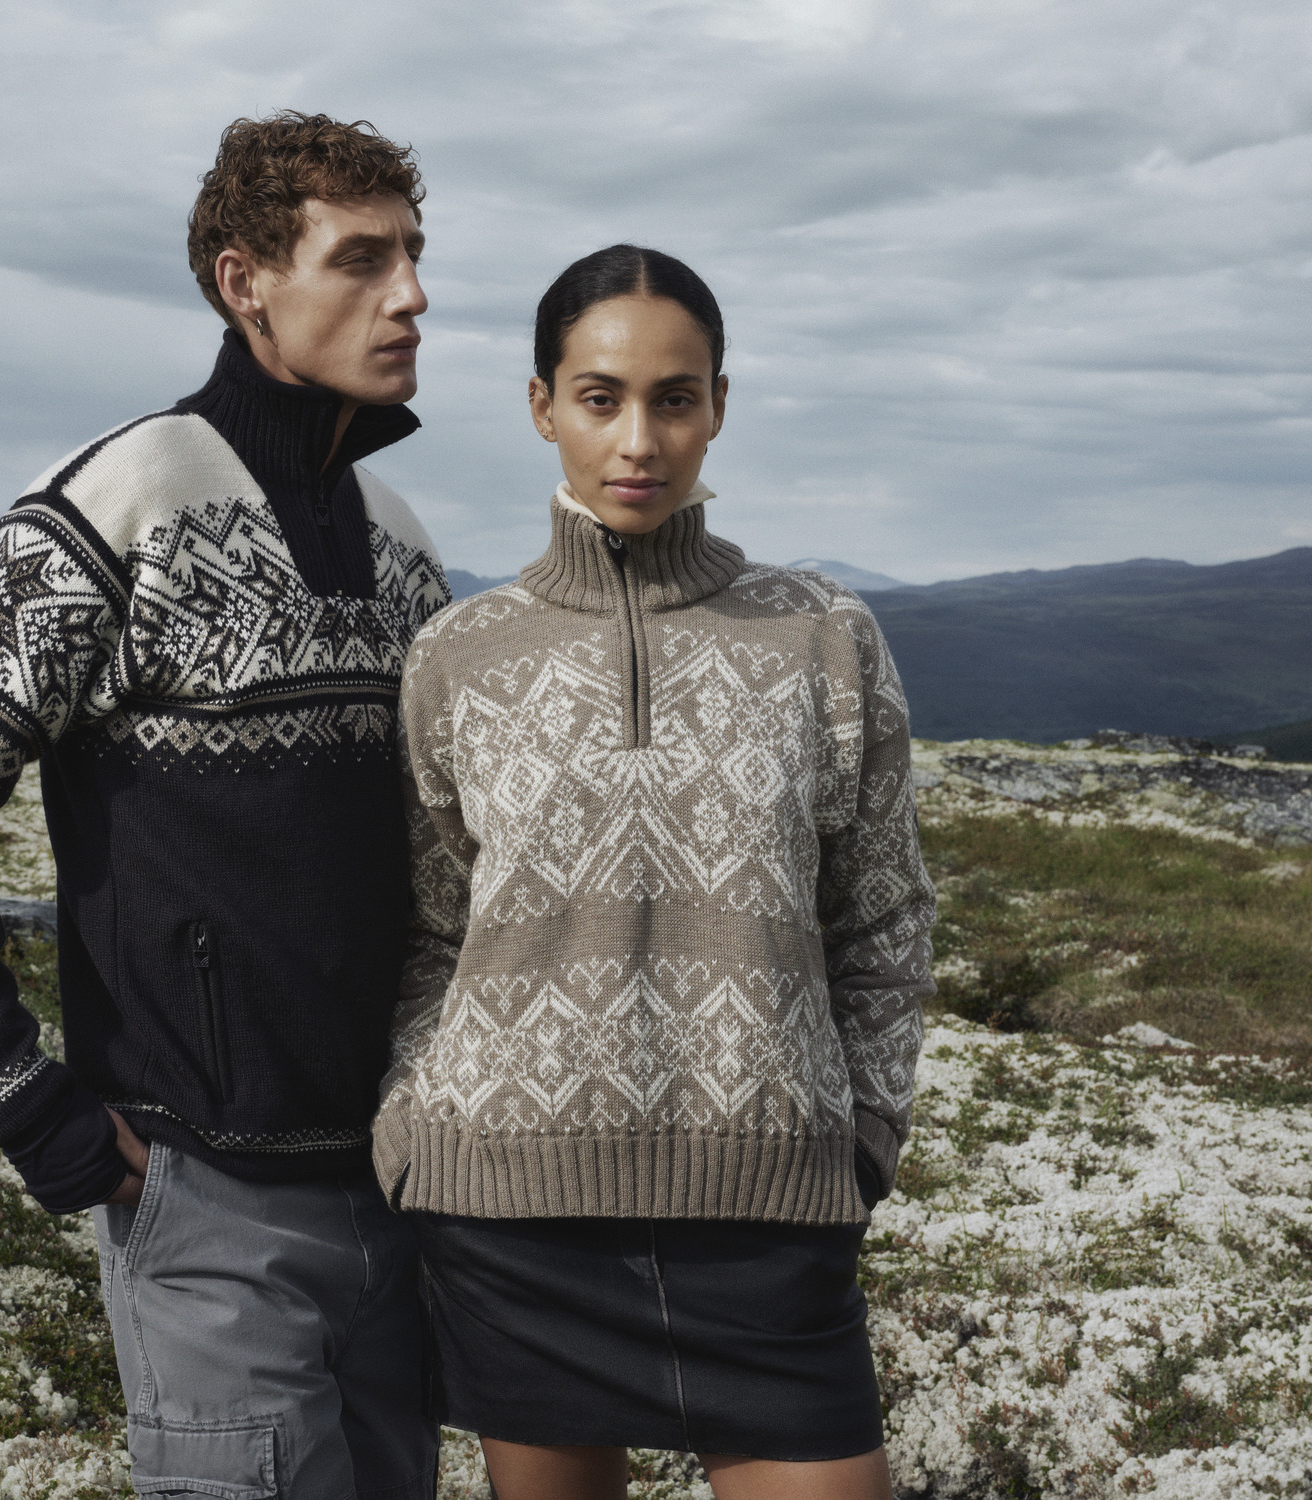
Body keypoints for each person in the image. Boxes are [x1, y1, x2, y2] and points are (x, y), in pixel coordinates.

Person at [0, 112, 448, 1500]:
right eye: (361, 260)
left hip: (399, 1200)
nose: (410, 293)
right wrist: (25, 1104)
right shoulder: (115, 506)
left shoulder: (409, 543)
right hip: (202, 1208)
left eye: (413, 257)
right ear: (249, 283)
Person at [374, 245, 936, 1500]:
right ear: (540, 407)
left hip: (770, 1220)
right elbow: (427, 929)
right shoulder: (455, 657)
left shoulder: (823, 636)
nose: (638, 438)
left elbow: (885, 919)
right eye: (598, 397)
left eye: (673, 399)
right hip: (510, 1218)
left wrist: (867, 1138)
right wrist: (413, 1130)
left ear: (717, 408)